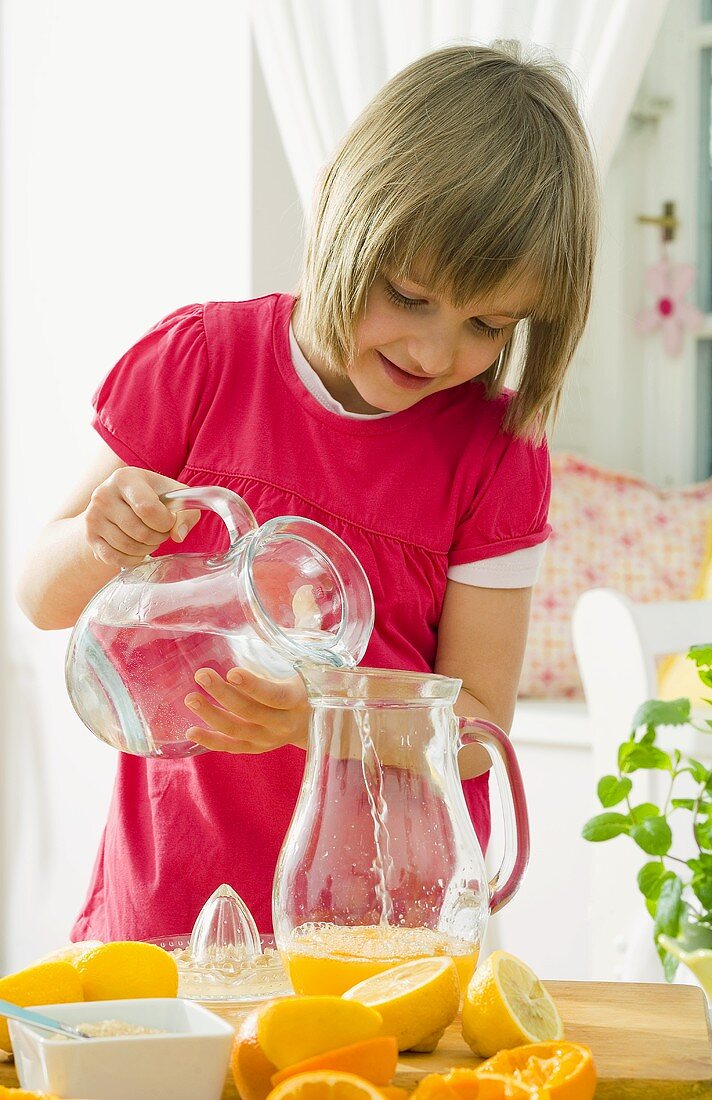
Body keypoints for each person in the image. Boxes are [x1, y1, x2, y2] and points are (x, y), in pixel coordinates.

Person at [16, 41, 598, 942]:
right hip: (174, 907)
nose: (435, 355)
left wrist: (318, 715)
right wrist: (103, 536)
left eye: (488, 325)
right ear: (345, 216)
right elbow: (42, 599)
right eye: (408, 295)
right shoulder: (205, 363)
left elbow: (477, 731)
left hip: (380, 928)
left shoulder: (495, 450)